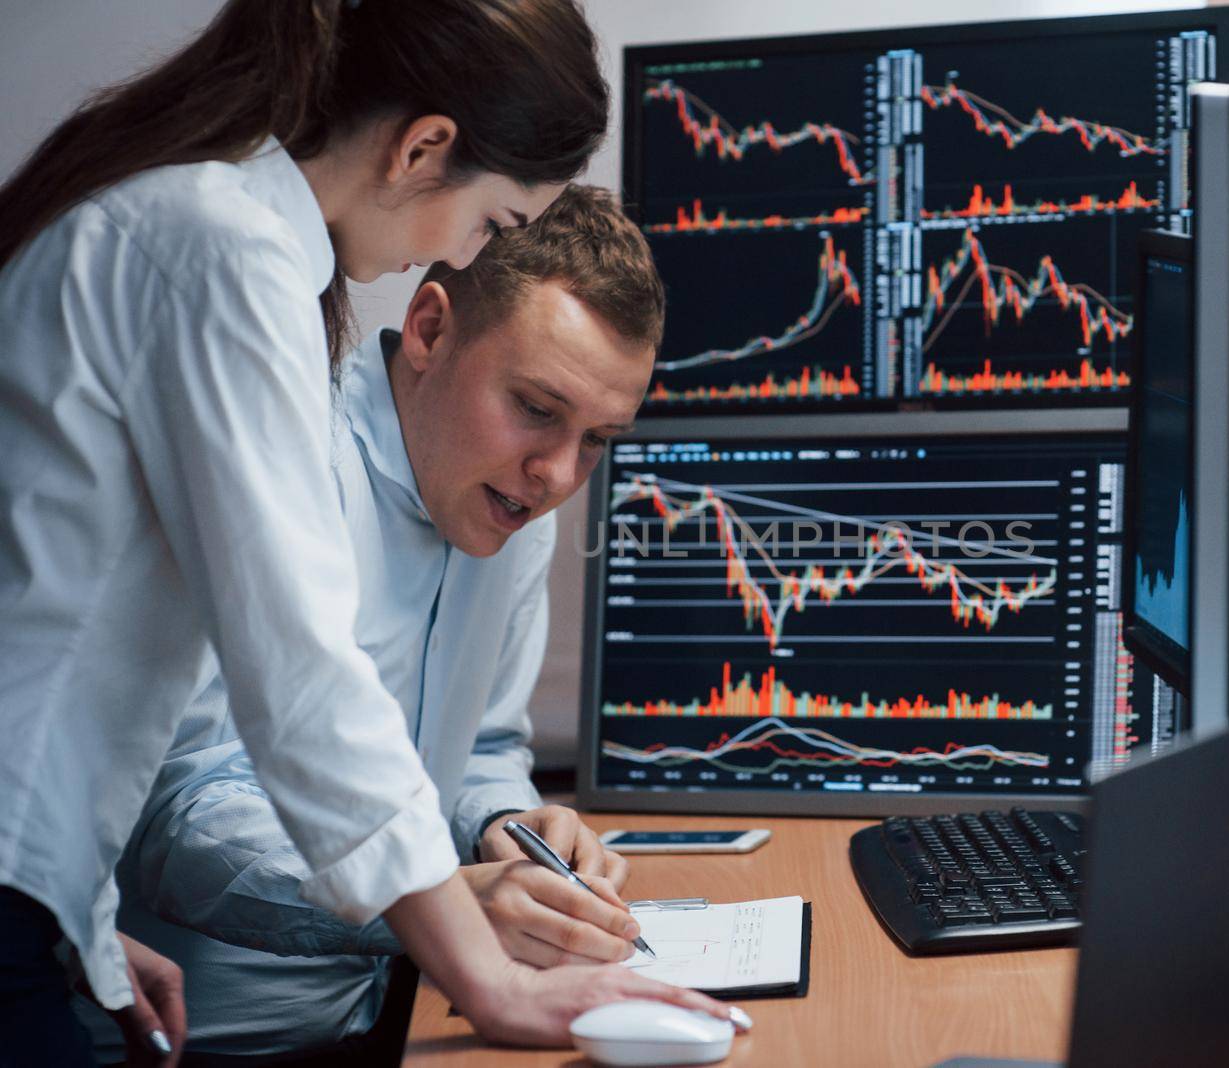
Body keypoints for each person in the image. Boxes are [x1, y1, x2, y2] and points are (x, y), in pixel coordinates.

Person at [0, 2, 725, 1063]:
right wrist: (480, 974)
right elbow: (298, 674)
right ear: (423, 148)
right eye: (490, 226)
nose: (557, 472)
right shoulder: (222, 248)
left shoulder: (204, 228)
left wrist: (86, 928)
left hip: (49, 905)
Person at [80, 185, 663, 1061]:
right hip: (204, 1044)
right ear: (429, 329)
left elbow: (481, 749)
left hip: (395, 1020)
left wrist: (505, 825)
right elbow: (186, 813)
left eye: (597, 440)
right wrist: (438, 910)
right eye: (537, 408)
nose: (555, 474)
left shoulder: (512, 505)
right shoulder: (274, 461)